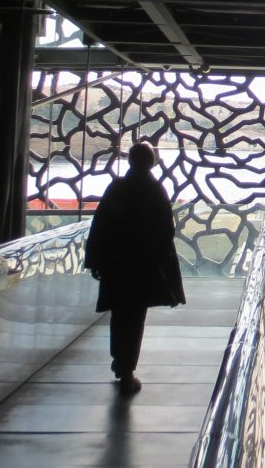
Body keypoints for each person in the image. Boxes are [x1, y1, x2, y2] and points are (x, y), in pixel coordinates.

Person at [84, 142, 186, 395]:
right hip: (142, 267)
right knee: (135, 317)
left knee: (119, 313)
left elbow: (100, 225)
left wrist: (94, 260)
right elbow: (166, 231)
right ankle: (127, 369)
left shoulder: (117, 188)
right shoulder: (155, 190)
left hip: (116, 265)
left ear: (130, 161)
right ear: (151, 162)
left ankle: (120, 360)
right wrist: (159, 261)